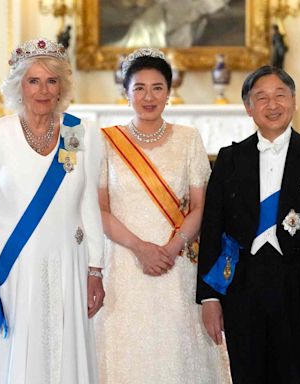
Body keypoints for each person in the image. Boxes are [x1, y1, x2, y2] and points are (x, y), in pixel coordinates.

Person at [197, 65, 300, 384]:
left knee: (293, 373)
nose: (272, 104)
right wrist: (209, 296)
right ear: (248, 108)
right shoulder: (230, 159)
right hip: (242, 286)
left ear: (294, 101)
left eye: (281, 95)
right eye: (261, 98)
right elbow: (212, 228)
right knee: (246, 373)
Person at [0, 38, 105, 383]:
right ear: (19, 86)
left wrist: (96, 268)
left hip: (67, 262)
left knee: (63, 353)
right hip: (12, 266)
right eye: (33, 81)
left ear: (62, 87)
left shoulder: (76, 132)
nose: (43, 90)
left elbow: (87, 201)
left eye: (51, 81)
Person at [95, 47, 230, 383]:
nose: (148, 96)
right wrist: (141, 248)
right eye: (139, 87)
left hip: (176, 264)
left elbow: (200, 207)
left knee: (176, 348)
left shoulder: (189, 139)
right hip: (125, 262)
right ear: (125, 93)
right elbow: (100, 209)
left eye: (157, 87)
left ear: (169, 93)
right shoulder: (105, 141)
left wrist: (170, 249)